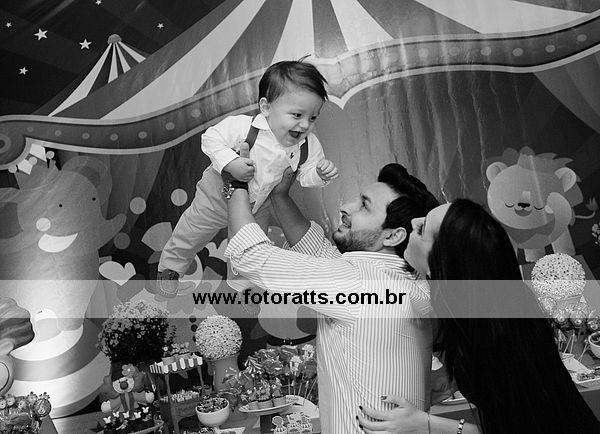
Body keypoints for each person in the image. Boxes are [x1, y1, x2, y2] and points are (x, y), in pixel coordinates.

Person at [224, 161, 439, 433]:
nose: (347, 207)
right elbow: (318, 252)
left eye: (364, 206)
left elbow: (249, 255)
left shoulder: (361, 283)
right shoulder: (407, 281)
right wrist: (280, 196)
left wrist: (236, 184)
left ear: (393, 235)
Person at [358, 199, 600, 434]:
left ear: (441, 263)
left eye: (422, 229)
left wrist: (425, 425)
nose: (413, 221)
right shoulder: (473, 307)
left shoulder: (495, 337)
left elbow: (521, 427)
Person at [157, 59, 339, 297]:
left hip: (257, 205)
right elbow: (210, 139)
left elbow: (306, 175)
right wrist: (231, 163)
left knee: (251, 246)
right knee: (192, 231)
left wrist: (319, 173)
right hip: (216, 195)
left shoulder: (308, 145)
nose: (305, 125)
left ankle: (243, 290)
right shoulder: (244, 127)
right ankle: (171, 268)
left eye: (313, 118)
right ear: (266, 107)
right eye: (297, 115)